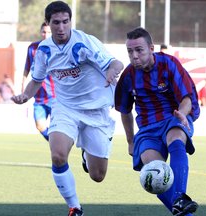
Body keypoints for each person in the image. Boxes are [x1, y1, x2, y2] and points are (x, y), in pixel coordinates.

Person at [11, 1, 124, 216]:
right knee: (58, 156)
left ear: (71, 21)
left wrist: (111, 72)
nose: (61, 27)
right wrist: (26, 95)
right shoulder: (44, 50)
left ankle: (86, 156)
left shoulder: (84, 43)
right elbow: (36, 79)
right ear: (48, 24)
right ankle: (75, 207)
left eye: (65, 22)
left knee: (97, 175)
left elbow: (116, 63)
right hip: (65, 108)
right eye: (56, 23)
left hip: (95, 111)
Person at [115, 27, 200, 216]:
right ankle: (185, 212)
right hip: (147, 129)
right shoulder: (128, 76)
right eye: (130, 51)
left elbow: (186, 98)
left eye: (139, 50)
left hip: (173, 118)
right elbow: (124, 110)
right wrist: (130, 141)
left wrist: (183, 114)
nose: (134, 56)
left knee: (176, 138)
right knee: (154, 174)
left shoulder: (169, 64)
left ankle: (179, 196)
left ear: (151, 48)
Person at [22, 22, 54, 141]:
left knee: (58, 130)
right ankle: (54, 143)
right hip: (39, 97)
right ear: (40, 32)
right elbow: (27, 67)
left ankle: (58, 145)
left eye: (49, 32)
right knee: (40, 126)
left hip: (56, 98)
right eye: (44, 32)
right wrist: (23, 84)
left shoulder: (58, 48)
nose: (46, 35)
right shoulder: (32, 48)